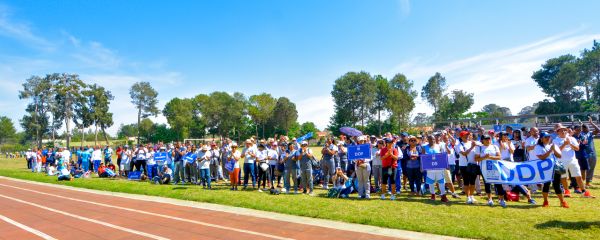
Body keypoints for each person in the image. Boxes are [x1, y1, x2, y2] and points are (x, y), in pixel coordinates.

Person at [552, 123, 595, 198]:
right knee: (564, 177)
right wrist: (564, 144)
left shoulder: (572, 139)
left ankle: (584, 191)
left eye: (565, 130)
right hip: (562, 161)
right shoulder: (555, 141)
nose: (564, 132)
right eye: (561, 131)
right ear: (557, 132)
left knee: (578, 176)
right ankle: (566, 190)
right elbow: (557, 151)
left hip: (573, 160)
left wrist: (570, 144)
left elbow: (577, 148)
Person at [536, 132, 569, 208]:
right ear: (541, 138)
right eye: (545, 137)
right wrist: (550, 151)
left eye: (549, 137)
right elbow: (541, 157)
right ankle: (545, 201)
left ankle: (562, 201)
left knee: (557, 185)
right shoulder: (538, 147)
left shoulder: (553, 145)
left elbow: (559, 156)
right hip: (545, 168)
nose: (548, 138)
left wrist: (554, 149)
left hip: (555, 167)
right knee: (546, 185)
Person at [474, 134, 506, 207]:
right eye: (486, 139)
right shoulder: (479, 148)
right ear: (482, 140)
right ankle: (490, 199)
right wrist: (485, 157)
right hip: (484, 168)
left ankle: (502, 200)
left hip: (495, 167)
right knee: (487, 184)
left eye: (489, 139)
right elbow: (476, 159)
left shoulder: (494, 147)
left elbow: (499, 157)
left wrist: (490, 157)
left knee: (498, 184)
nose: (488, 140)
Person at [422, 135, 449, 202]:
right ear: (428, 139)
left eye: (433, 139)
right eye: (430, 139)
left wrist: (446, 165)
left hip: (439, 168)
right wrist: (422, 167)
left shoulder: (439, 146)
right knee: (431, 182)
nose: (432, 140)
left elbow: (443, 157)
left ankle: (443, 195)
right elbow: (422, 159)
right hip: (430, 169)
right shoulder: (424, 148)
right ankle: (433, 195)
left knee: (441, 182)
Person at [457, 131, 479, 204]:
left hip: (474, 164)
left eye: (468, 135)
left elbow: (483, 145)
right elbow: (463, 153)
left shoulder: (473, 142)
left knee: (473, 181)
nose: (467, 136)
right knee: (466, 182)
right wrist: (472, 147)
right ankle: (468, 197)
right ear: (461, 137)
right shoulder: (459, 145)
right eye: (465, 135)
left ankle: (472, 196)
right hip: (464, 165)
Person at [582, 116, 600, 186]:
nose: (588, 128)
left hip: (593, 153)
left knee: (591, 167)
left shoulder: (590, 133)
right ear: (583, 128)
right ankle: (582, 181)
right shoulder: (580, 134)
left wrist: (592, 123)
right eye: (587, 127)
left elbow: (598, 130)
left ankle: (588, 181)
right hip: (584, 153)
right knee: (583, 168)